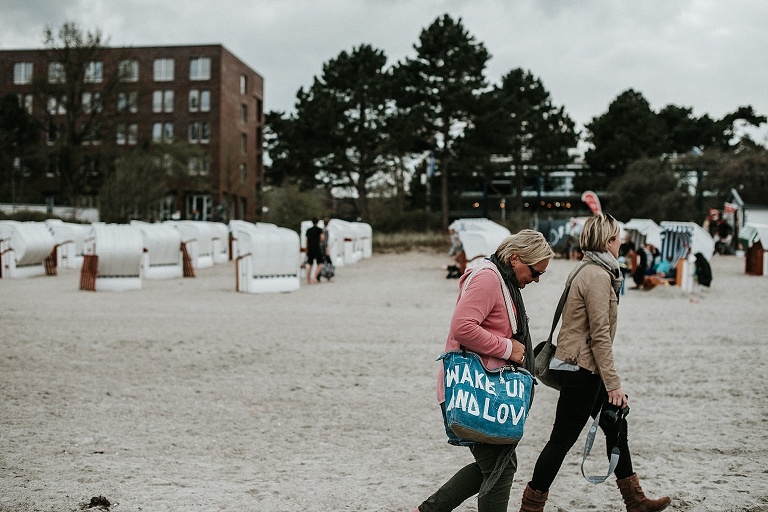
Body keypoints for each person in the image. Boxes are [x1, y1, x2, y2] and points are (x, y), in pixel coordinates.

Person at [517, 214, 670, 512]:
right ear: (606, 241)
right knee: (561, 440)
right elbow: (599, 336)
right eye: (617, 238)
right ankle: (530, 507)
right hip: (582, 369)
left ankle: (635, 500)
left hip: (581, 365)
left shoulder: (588, 269)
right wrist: (614, 384)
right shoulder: (598, 276)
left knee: (615, 427)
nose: (621, 242)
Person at [413, 229, 555, 512]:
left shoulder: (501, 279)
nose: (536, 279)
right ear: (515, 258)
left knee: (496, 465)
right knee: (500, 468)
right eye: (534, 271)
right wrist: (507, 349)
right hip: (474, 388)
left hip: (486, 389)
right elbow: (462, 328)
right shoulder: (488, 278)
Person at [304, 217, 324, 285]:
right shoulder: (319, 230)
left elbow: (307, 240)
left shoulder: (309, 230)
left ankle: (308, 279)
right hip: (317, 248)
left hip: (310, 248)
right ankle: (315, 277)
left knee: (310, 264)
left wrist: (306, 249)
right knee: (320, 263)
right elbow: (322, 238)